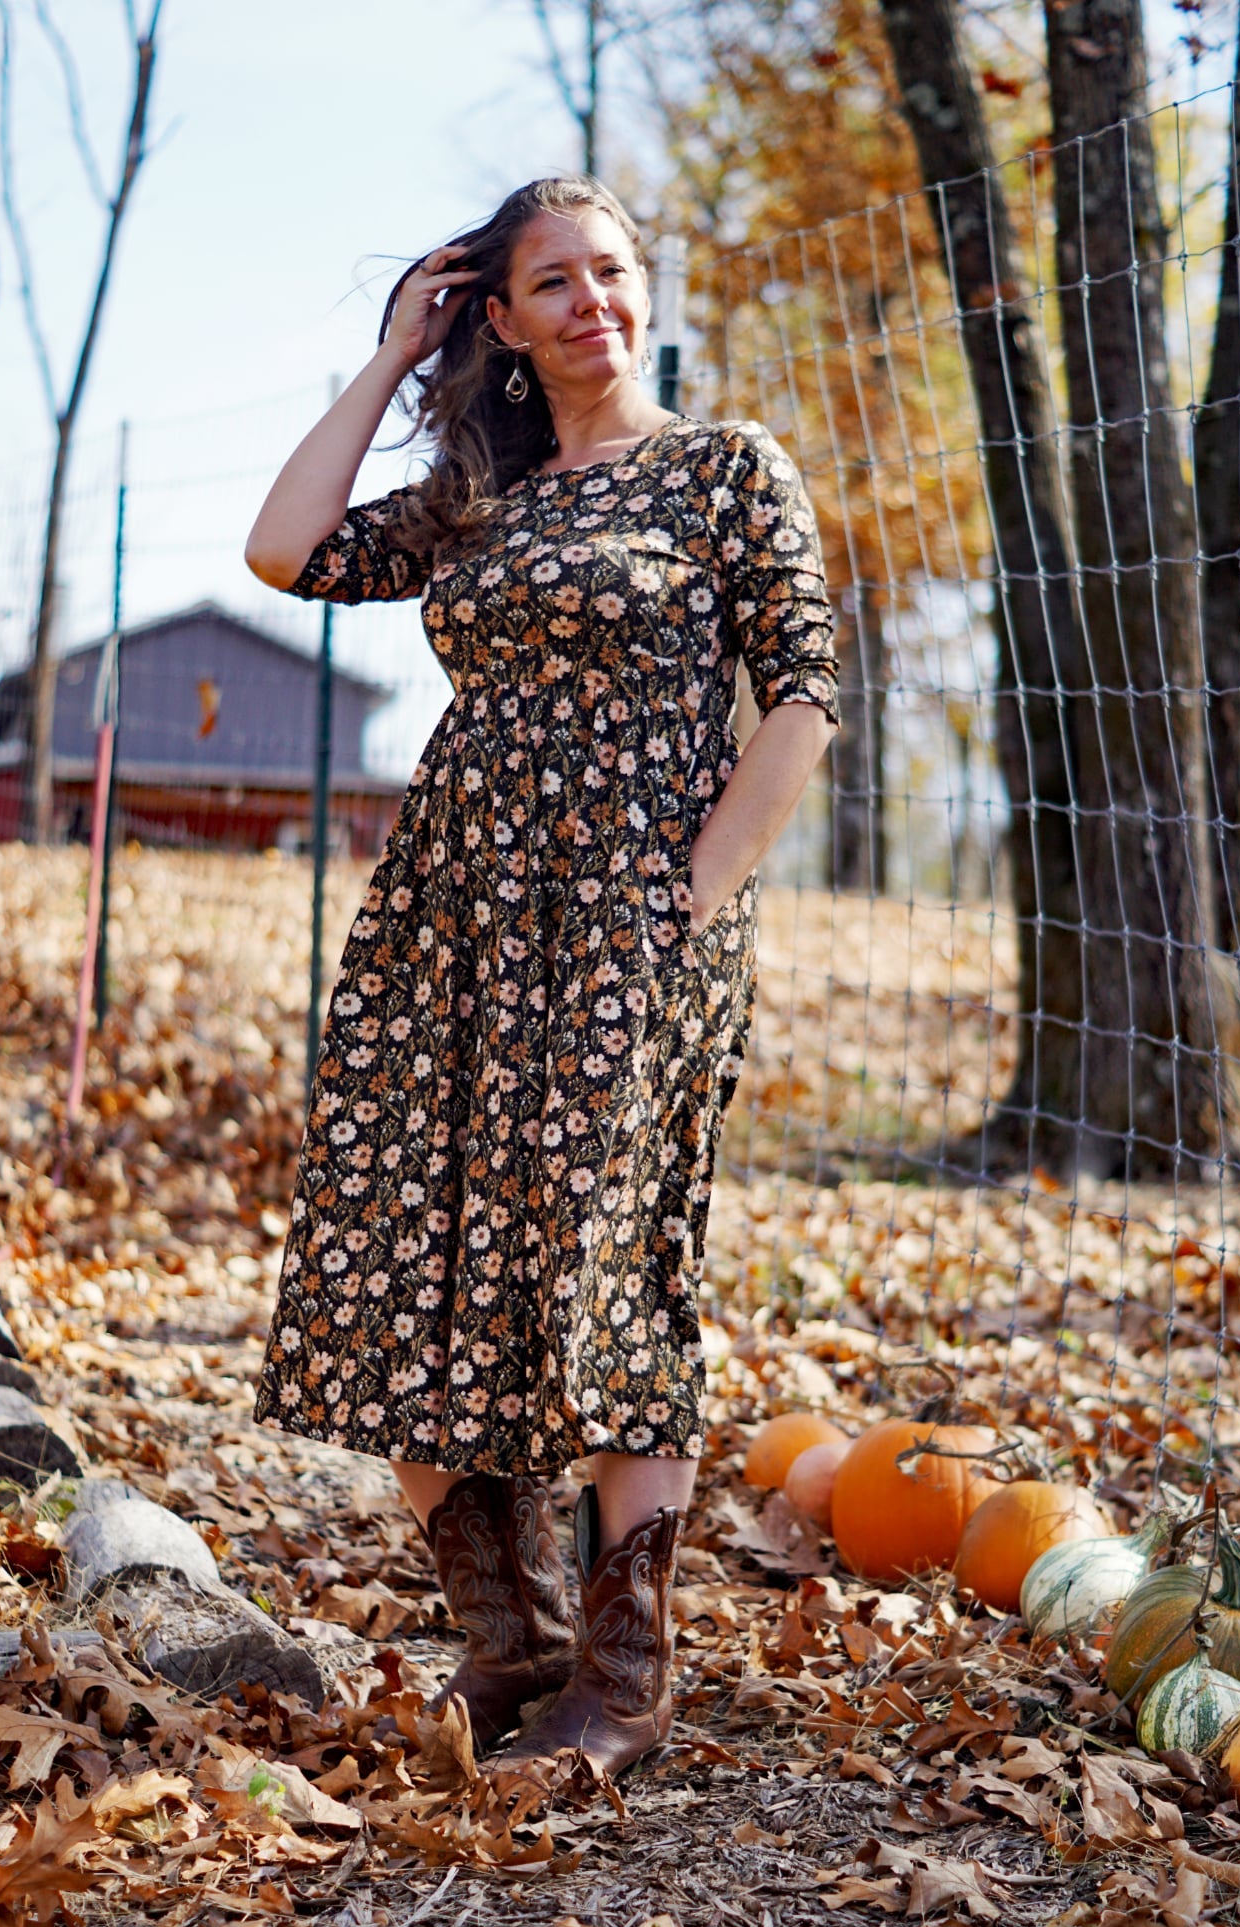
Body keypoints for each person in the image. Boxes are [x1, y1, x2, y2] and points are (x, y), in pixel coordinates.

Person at [245, 176, 838, 1777]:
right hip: (451, 917)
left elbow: (801, 696)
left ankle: (624, 1677)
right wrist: (392, 356)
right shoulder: (476, 498)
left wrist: (690, 901)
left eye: (613, 270)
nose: (593, 302)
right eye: (553, 282)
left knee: (602, 1257)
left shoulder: (721, 469)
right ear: (499, 320)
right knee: (407, 1251)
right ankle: (511, 1645)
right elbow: (282, 550)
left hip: (632, 918)